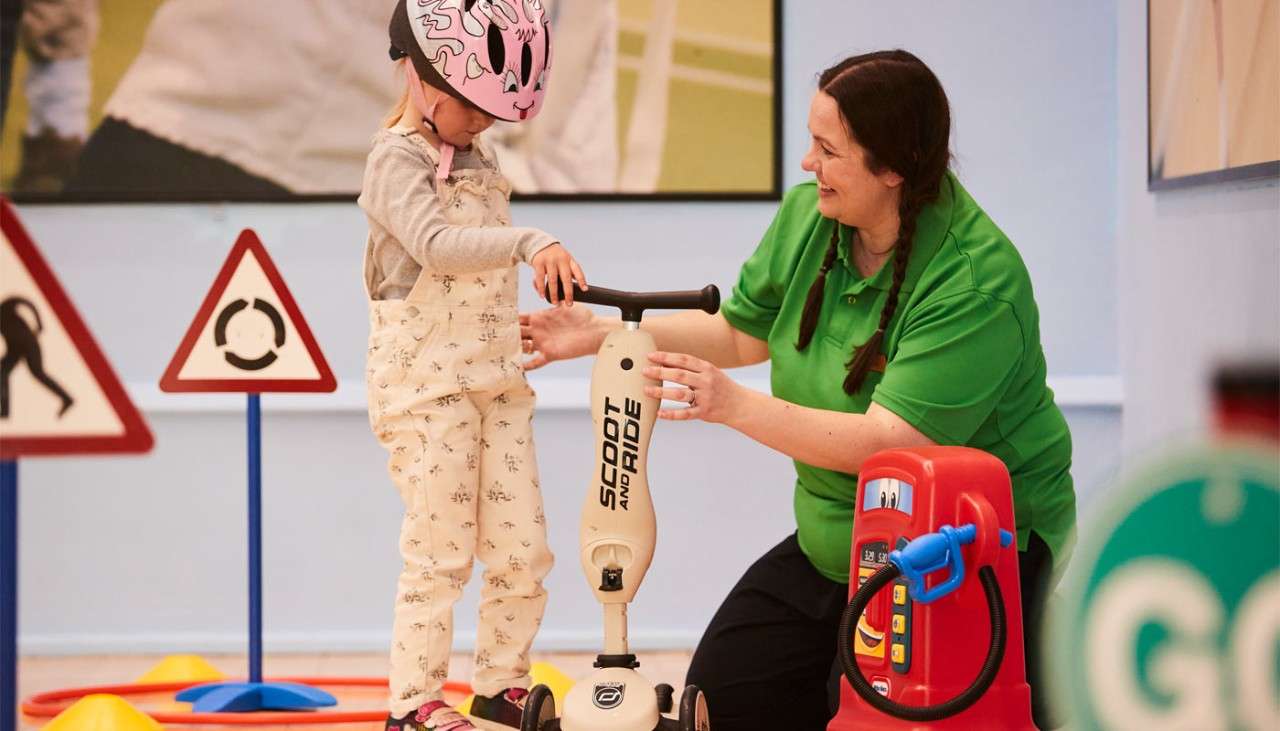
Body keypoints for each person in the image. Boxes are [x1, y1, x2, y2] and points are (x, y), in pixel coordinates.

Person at [520, 50, 1075, 731]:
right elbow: (739, 331)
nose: (808, 164)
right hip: (836, 540)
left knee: (877, 709)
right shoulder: (815, 217)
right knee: (720, 698)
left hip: (961, 551)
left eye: (827, 149)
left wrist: (732, 405)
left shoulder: (976, 281)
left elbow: (887, 446)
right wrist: (600, 333)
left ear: (894, 168)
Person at [359, 1, 586, 729]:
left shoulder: (481, 162)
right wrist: (529, 242)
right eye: (474, 105)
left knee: (525, 547)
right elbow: (433, 244)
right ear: (423, 79)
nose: (485, 123)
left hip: (495, 384)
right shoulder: (394, 159)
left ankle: (501, 681)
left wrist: (506, 321)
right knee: (440, 551)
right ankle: (414, 702)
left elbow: (476, 277)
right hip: (427, 391)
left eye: (496, 109)